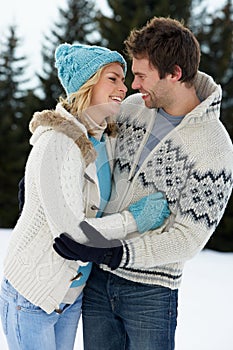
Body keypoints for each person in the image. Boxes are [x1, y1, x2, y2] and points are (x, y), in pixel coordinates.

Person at [53, 17, 233, 350]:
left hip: (151, 293)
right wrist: (40, 176)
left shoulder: (214, 146)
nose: (134, 86)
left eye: (141, 76)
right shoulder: (132, 110)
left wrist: (118, 252)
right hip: (97, 279)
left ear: (174, 73)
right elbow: (80, 134)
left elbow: (189, 238)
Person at [0, 41, 170, 350]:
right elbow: (71, 233)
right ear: (87, 84)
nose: (124, 87)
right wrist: (135, 219)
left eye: (124, 78)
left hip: (70, 294)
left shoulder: (102, 139)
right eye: (113, 79)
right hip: (33, 294)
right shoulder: (57, 143)